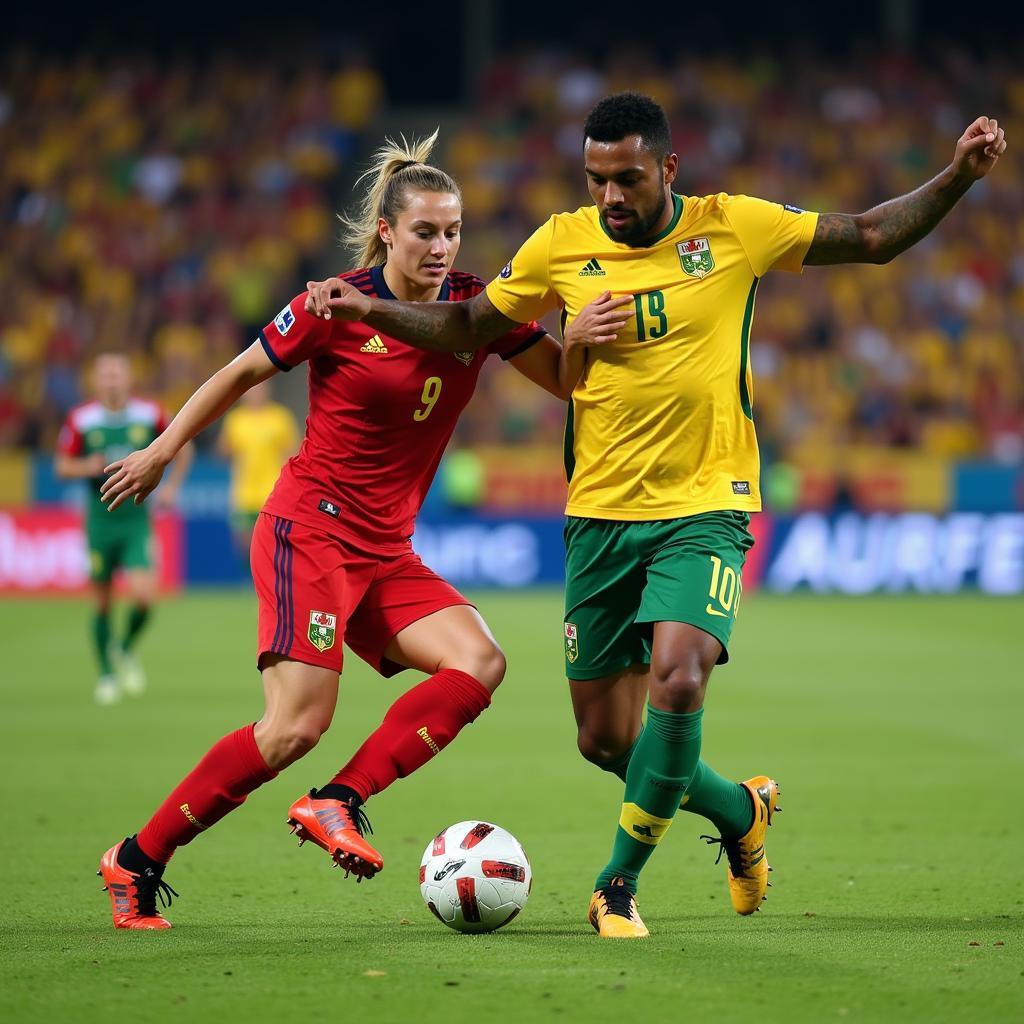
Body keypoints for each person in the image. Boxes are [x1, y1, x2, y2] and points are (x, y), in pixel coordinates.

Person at [303, 94, 1007, 938]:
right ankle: (739, 810)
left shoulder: (734, 227)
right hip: (600, 516)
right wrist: (369, 307)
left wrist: (957, 177)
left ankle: (616, 884)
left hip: (705, 507)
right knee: (605, 741)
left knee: (679, 678)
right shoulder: (561, 244)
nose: (610, 196)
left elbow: (869, 236)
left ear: (668, 169)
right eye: (596, 179)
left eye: (627, 178)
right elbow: (466, 325)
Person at [94, 131, 585, 930]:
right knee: (294, 726)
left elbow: (565, 381)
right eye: (424, 230)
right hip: (308, 532)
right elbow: (239, 372)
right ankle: (137, 859)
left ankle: (337, 801)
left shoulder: (476, 311)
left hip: (385, 550)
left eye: (452, 230)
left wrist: (594, 336)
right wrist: (162, 447)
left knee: (479, 662)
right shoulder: (333, 303)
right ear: (387, 231)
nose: (441, 245)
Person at [56, 352, 192, 705]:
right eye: (106, 374)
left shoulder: (149, 414)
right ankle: (106, 675)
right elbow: (62, 467)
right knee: (102, 604)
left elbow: (184, 446)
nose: (112, 380)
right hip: (100, 522)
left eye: (118, 373)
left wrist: (172, 487)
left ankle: (124, 647)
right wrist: (87, 466)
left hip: (136, 520)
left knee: (145, 598)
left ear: (130, 379)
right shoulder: (81, 420)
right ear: (96, 381)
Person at [218, 379, 299, 554]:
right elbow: (224, 450)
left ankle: (267, 579)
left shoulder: (280, 417)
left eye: (259, 389)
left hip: (271, 490)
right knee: (244, 543)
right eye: (251, 390)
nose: (255, 394)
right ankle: (251, 580)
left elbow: (292, 452)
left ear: (267, 390)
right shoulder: (236, 419)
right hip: (244, 492)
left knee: (270, 540)